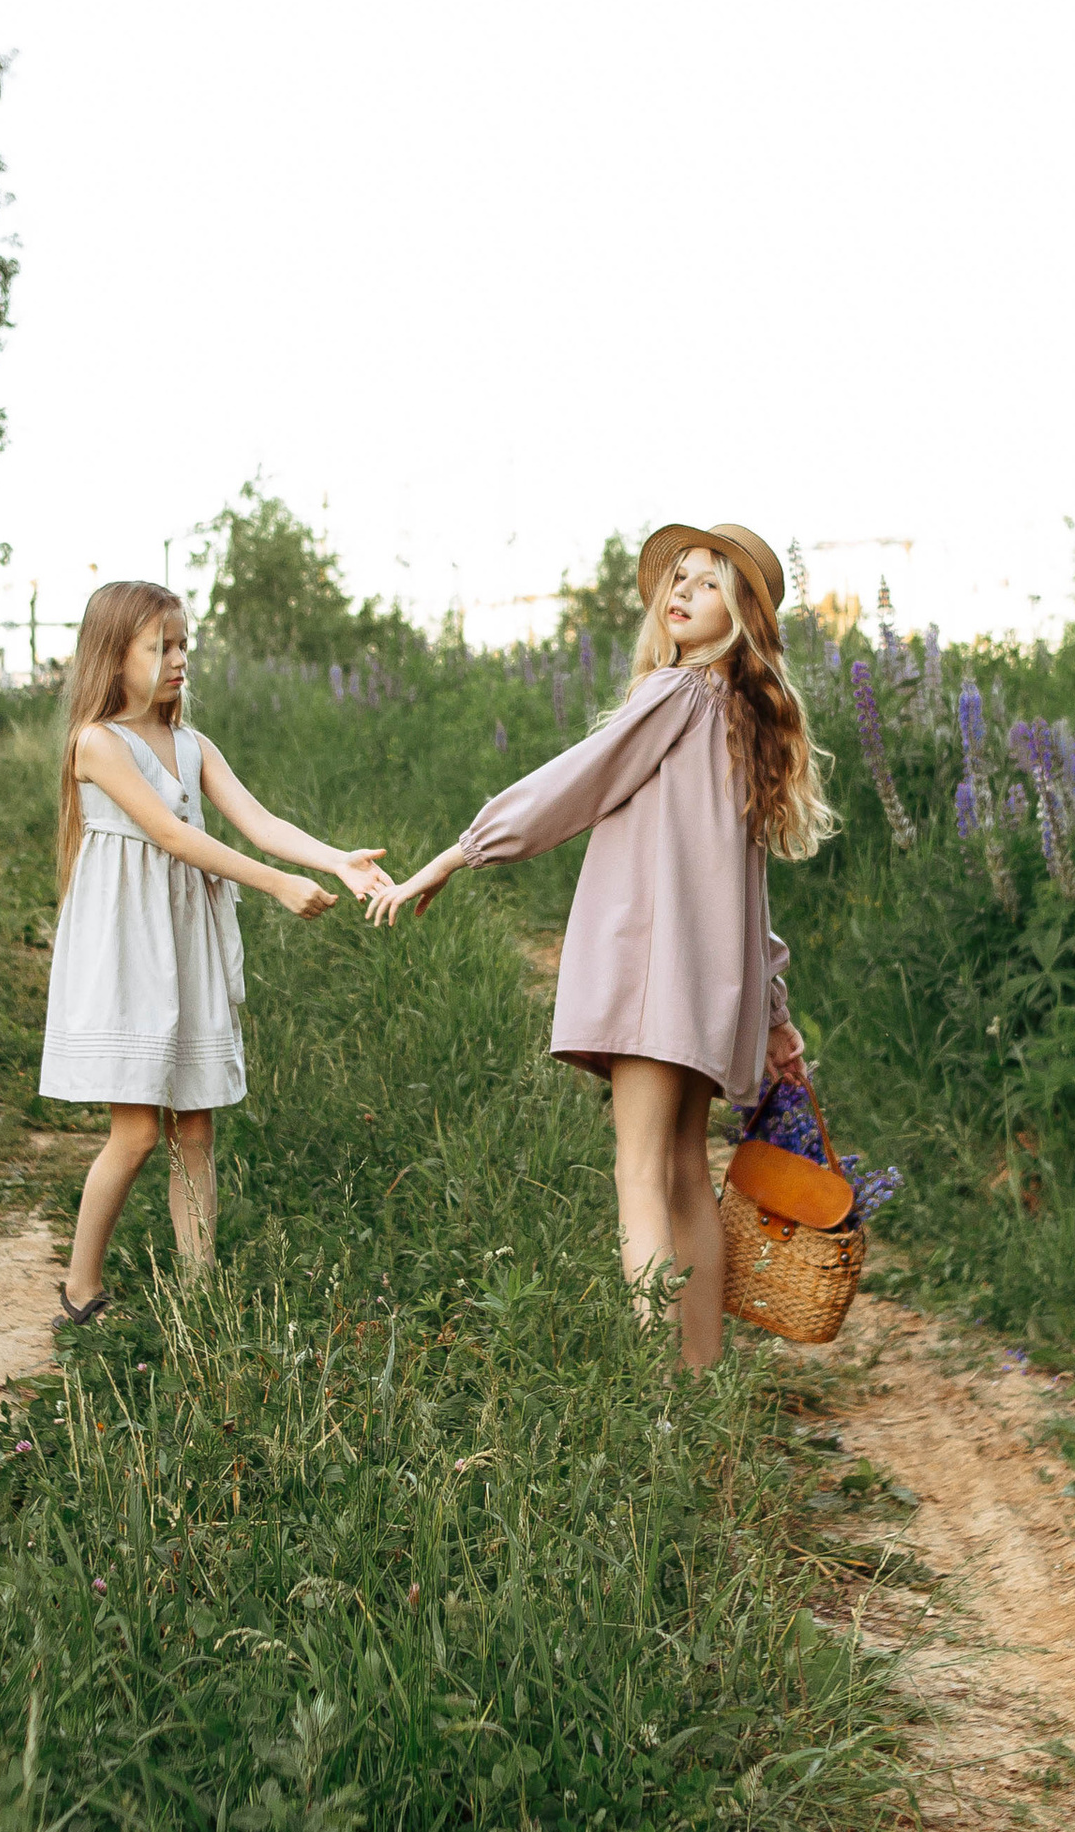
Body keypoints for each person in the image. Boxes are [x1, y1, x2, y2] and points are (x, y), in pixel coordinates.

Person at [373, 524, 830, 1365]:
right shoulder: (744, 719)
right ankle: (699, 1387)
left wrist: (456, 854)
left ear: (743, 614)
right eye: (679, 577)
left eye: (709, 583)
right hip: (710, 989)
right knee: (688, 1171)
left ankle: (660, 1405)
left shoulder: (679, 694)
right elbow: (747, 899)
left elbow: (572, 783)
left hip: (656, 978)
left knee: (640, 1175)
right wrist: (772, 1014)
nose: (681, 591)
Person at [41, 579, 390, 1327]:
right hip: (131, 946)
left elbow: (259, 821)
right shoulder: (97, 743)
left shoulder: (194, 745)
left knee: (195, 1128)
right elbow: (173, 837)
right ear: (114, 655)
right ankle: (80, 1289)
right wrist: (276, 887)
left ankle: (200, 1297)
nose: (177, 661)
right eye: (159, 647)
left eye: (182, 646)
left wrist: (335, 861)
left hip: (184, 940)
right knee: (135, 1132)